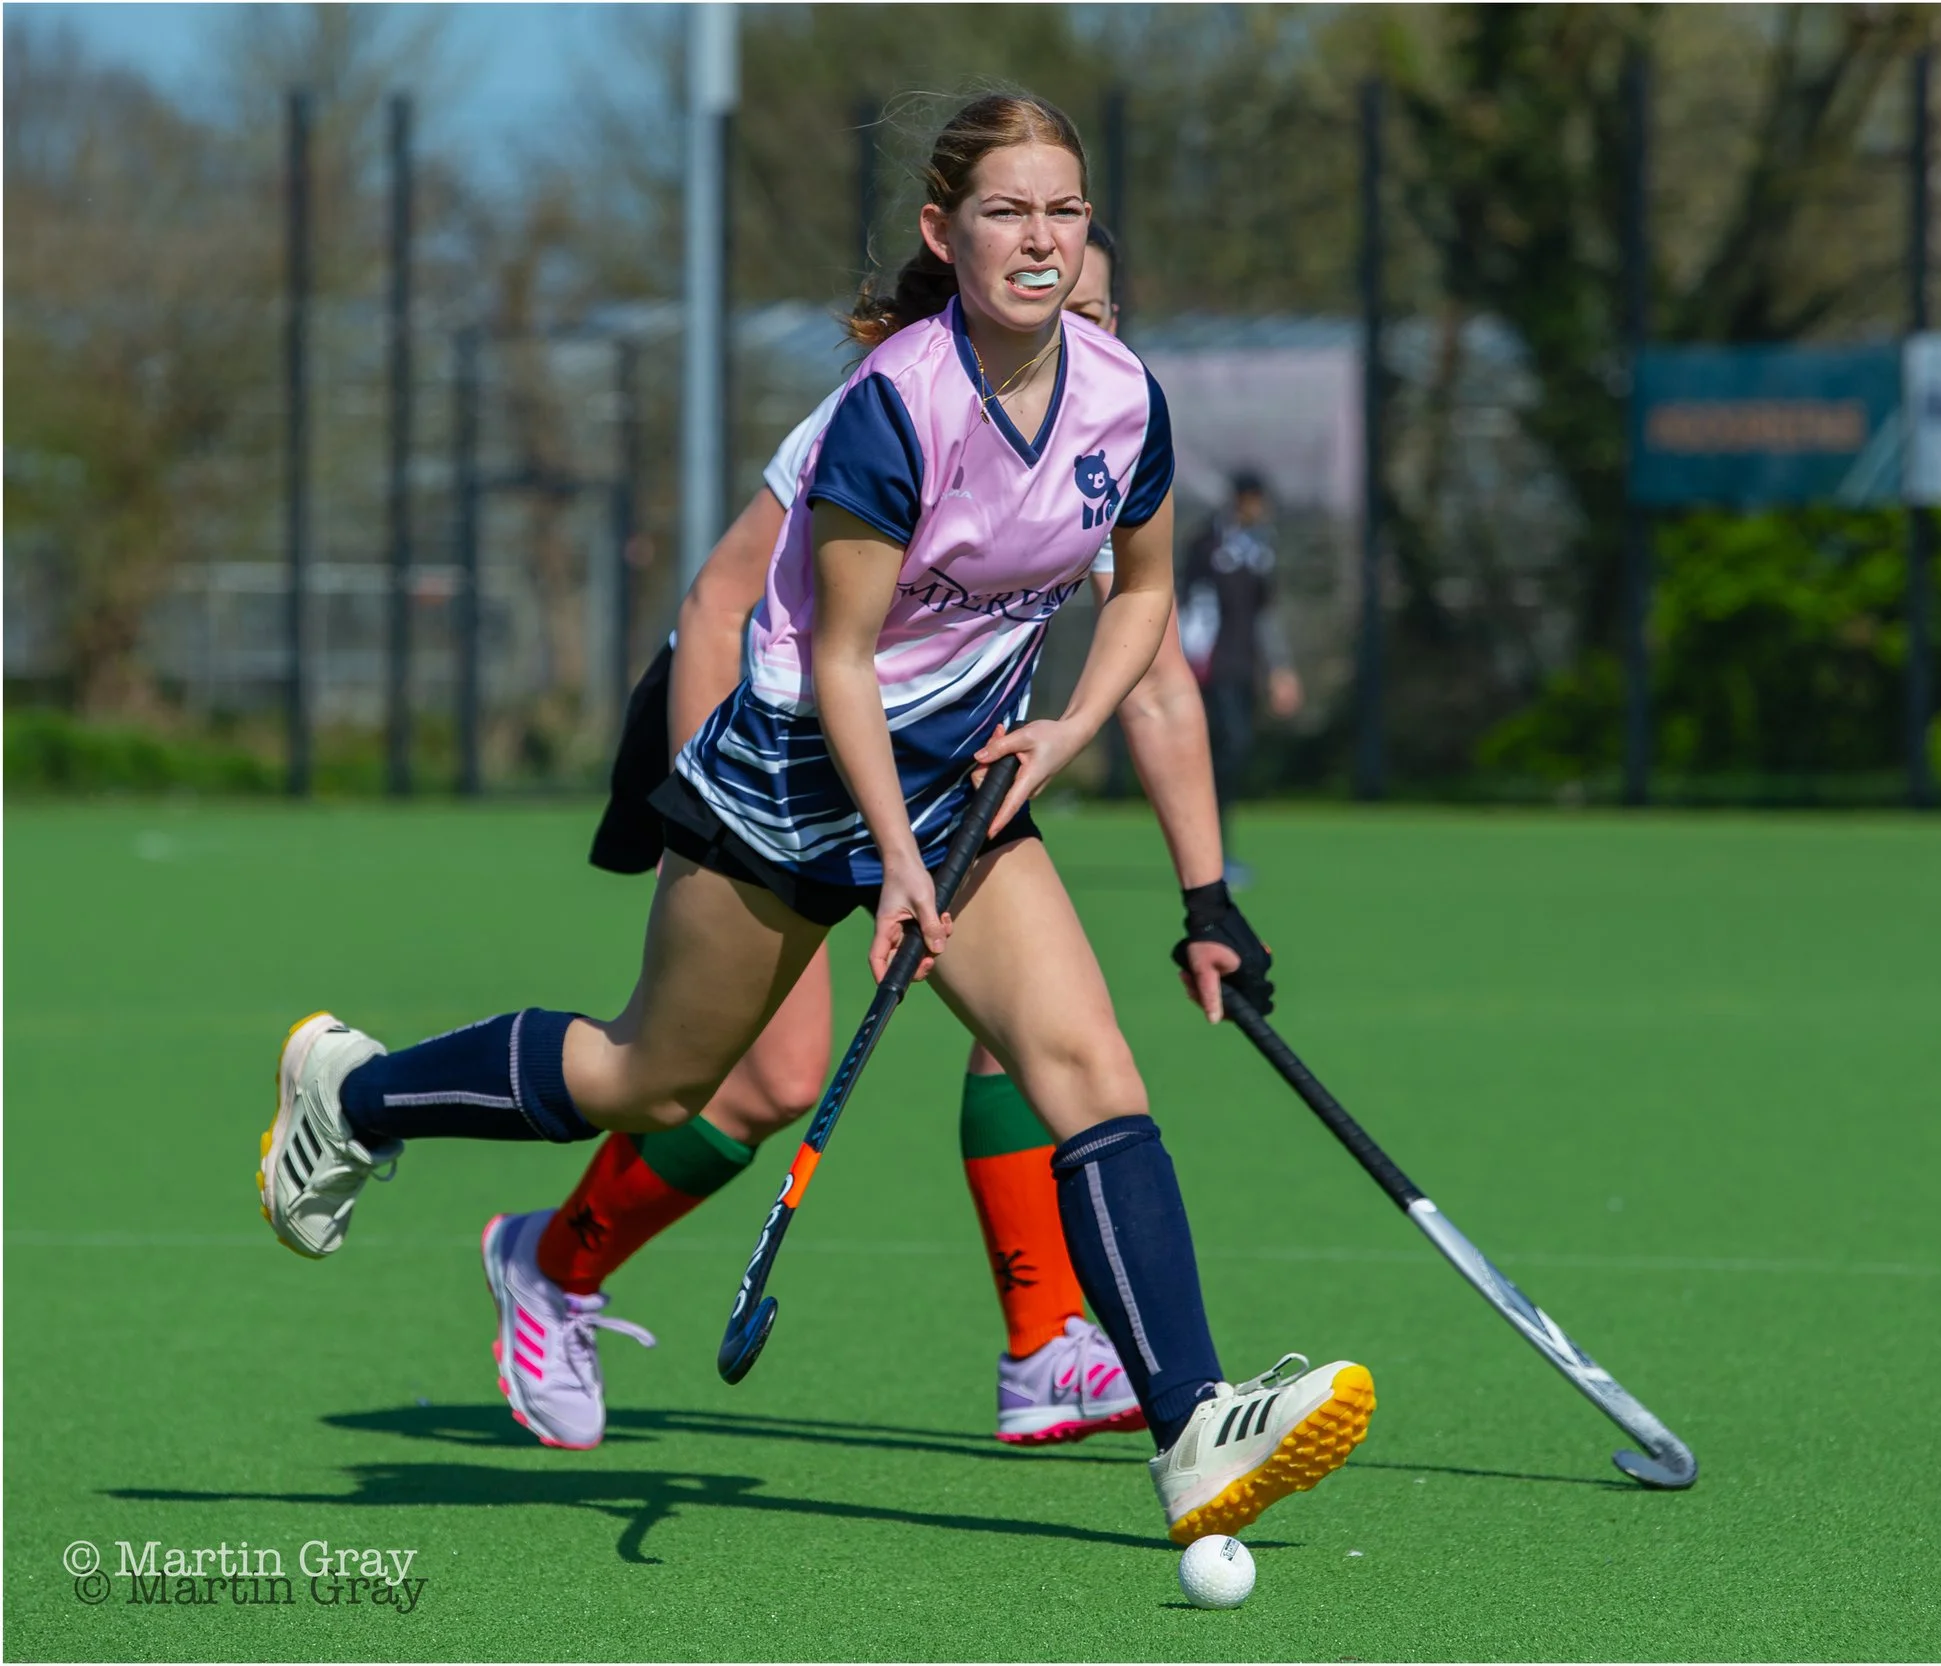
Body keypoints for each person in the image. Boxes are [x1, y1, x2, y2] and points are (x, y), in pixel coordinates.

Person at [255, 93, 1371, 1545]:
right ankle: (352, 1095)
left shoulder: (1122, 397)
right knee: (652, 1078)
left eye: (1064, 213)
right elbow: (836, 657)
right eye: (1007, 213)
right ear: (944, 232)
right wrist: (897, 862)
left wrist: (1067, 734)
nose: (1041, 241)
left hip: (957, 773)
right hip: (791, 771)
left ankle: (1193, 1431)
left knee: (1087, 1061)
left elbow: (1147, 600)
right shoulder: (896, 406)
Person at [518, 219, 1269, 1457]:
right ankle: (550, 1265)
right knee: (767, 1078)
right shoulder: (887, 416)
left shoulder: (1100, 431)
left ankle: (1044, 1351)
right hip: (769, 755)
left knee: (1034, 1030)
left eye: (1100, 313)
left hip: (931, 777)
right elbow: (716, 603)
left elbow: (1153, 673)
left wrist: (1207, 900)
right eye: (1059, 311)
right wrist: (724, 827)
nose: (1083, 338)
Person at [1176, 472, 1302, 885]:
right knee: (1221, 750)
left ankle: (1215, 853)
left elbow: (1266, 616)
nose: (1260, 510)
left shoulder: (1260, 549)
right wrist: (1183, 663)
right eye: (1255, 501)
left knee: (1232, 755)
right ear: (1241, 500)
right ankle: (1206, 856)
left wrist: (1279, 670)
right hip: (1210, 669)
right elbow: (1186, 606)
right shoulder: (1206, 545)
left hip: (1243, 668)